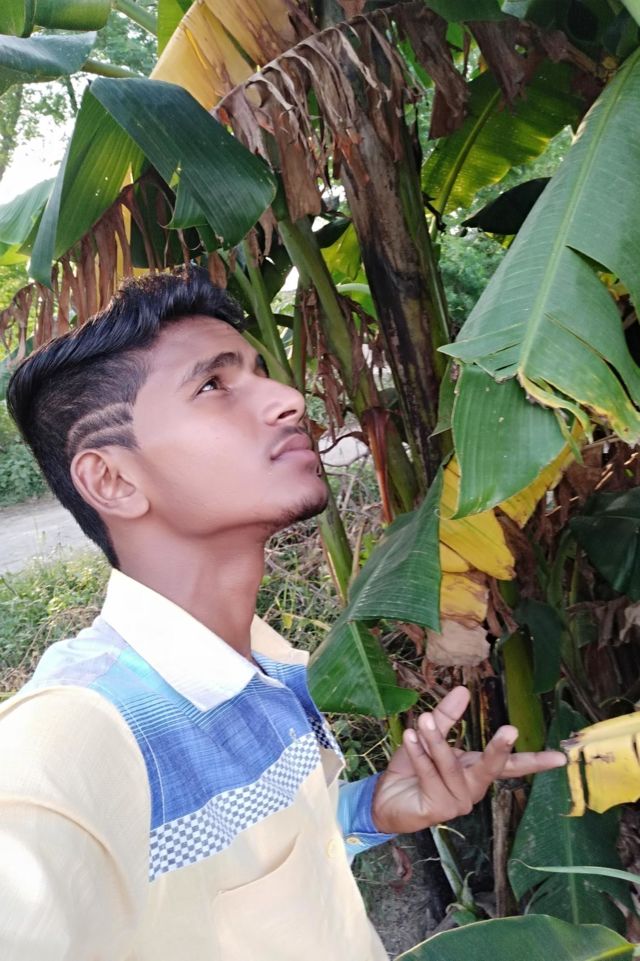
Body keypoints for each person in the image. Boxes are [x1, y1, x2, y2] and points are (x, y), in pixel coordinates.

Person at [0, 267, 565, 961]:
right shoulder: (72, 739)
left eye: (260, 372)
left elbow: (222, 859)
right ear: (112, 479)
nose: (291, 399)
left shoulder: (271, 662)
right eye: (213, 385)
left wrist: (371, 809)